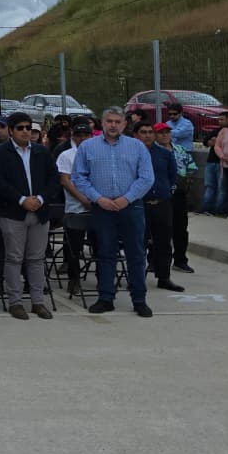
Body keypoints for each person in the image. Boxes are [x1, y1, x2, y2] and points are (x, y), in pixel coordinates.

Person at [72, 107, 156, 317]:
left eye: (117, 121)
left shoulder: (137, 146)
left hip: (131, 206)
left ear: (125, 124)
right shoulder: (88, 147)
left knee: (136, 254)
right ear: (102, 122)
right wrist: (98, 198)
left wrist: (126, 198)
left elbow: (147, 177)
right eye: (109, 121)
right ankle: (106, 298)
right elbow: (79, 177)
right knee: (105, 252)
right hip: (102, 207)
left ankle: (139, 300)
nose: (113, 125)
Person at [0, 112, 59, 320]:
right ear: (11, 131)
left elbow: (53, 178)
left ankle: (38, 301)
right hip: (12, 212)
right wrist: (21, 199)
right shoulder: (0, 153)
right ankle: (15, 302)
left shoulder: (41, 151)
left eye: (28, 127)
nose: (25, 131)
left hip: (39, 211)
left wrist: (41, 199)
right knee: (14, 258)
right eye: (20, 128)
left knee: (36, 258)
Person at [136, 123, 185, 293]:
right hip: (140, 204)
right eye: (143, 132)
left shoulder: (164, 154)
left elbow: (172, 176)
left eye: (150, 132)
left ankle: (164, 277)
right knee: (139, 242)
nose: (147, 135)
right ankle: (137, 278)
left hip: (162, 203)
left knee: (164, 242)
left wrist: (165, 191)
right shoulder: (131, 153)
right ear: (136, 135)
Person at [56, 118, 95, 297]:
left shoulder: (98, 154)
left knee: (100, 245)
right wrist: (83, 199)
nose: (82, 138)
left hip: (97, 206)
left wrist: (94, 199)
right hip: (75, 208)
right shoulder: (66, 155)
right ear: (73, 137)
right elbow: (65, 181)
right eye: (79, 135)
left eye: (86, 135)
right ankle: (74, 278)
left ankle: (103, 277)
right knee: (74, 248)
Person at [157, 123, 198, 272]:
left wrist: (186, 181)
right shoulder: (152, 151)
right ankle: (156, 260)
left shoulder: (180, 149)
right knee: (160, 229)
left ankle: (180, 260)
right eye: (161, 132)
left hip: (179, 193)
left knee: (181, 228)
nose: (164, 135)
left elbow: (192, 167)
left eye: (167, 132)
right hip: (160, 193)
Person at [202, 113, 228, 214]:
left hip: (222, 162)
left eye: (222, 119)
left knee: (221, 187)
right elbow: (205, 141)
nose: (219, 121)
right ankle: (206, 208)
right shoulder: (216, 131)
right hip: (211, 161)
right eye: (219, 119)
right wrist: (211, 142)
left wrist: (217, 141)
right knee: (210, 186)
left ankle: (218, 209)